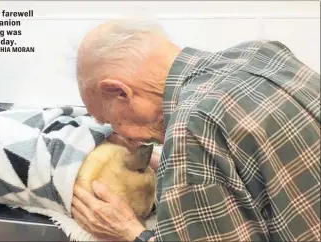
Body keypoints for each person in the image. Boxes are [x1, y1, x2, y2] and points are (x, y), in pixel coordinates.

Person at [71, 19, 321, 242]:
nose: (122, 135)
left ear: (120, 92)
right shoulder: (263, 53)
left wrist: (130, 232)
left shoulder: (191, 130)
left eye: (107, 119)